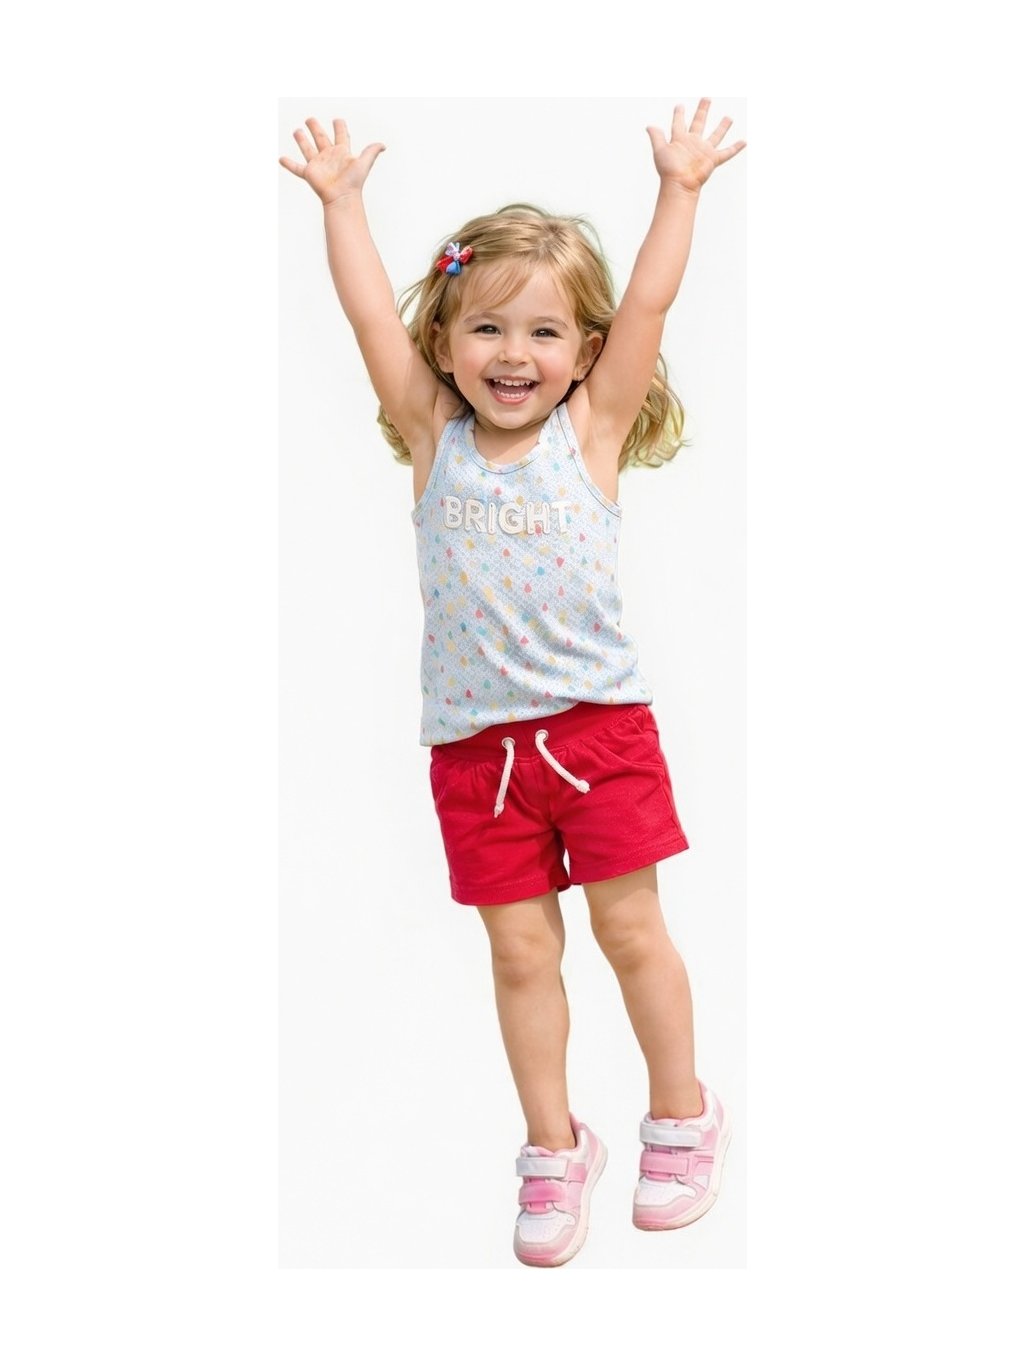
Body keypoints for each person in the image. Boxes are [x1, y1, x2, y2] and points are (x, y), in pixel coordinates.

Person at [280, 100, 745, 1268]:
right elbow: (365, 314)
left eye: (543, 332)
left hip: (598, 737)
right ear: (443, 341)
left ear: (582, 353)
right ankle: (552, 1145)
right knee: (522, 954)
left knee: (629, 930)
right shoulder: (430, 436)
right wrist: (342, 205)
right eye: (485, 327)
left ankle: (681, 1113)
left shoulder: (591, 433)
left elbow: (647, 304)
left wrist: (680, 190)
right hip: (475, 753)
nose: (512, 355)